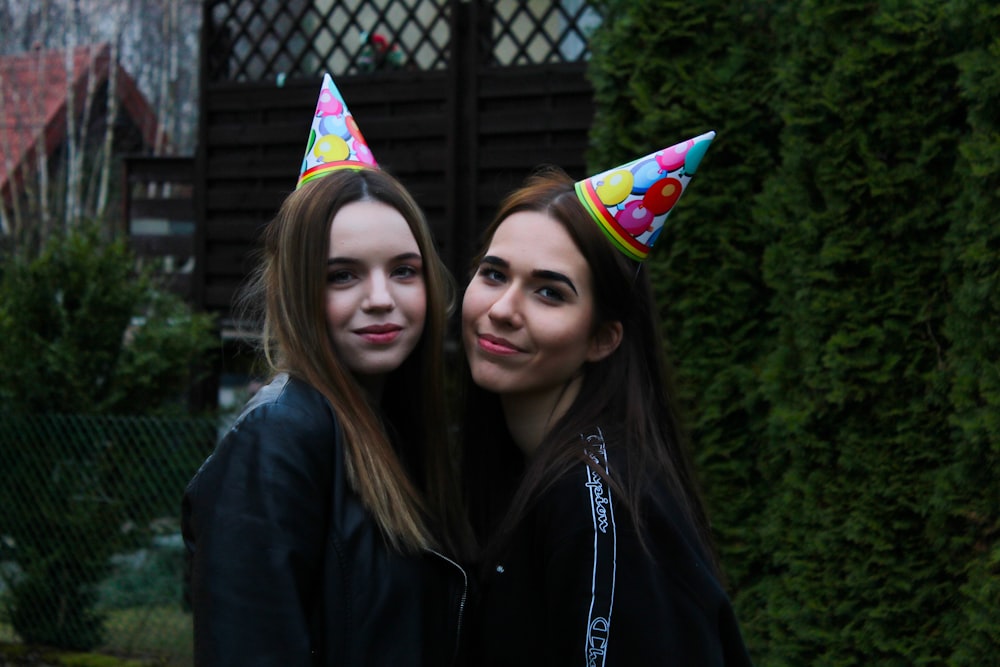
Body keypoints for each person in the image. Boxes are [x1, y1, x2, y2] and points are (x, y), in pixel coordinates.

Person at [182, 74, 469, 666]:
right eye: (343, 275)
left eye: (404, 270)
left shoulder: (398, 427)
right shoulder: (280, 441)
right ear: (296, 292)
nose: (381, 298)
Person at [460, 133, 754, 665]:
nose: (502, 308)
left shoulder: (597, 500)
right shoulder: (504, 462)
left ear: (603, 338)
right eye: (494, 274)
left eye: (549, 291)